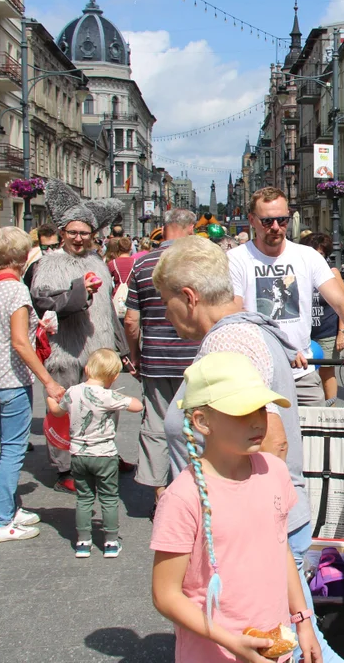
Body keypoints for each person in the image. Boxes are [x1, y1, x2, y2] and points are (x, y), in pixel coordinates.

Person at [153, 236, 344, 663]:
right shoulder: (248, 326)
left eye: (166, 302)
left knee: (298, 648)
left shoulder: (230, 344)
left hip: (244, 530)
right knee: (297, 643)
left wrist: (254, 505)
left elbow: (271, 437)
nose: (165, 316)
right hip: (243, 523)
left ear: (188, 297)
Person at [150, 352, 322, 663]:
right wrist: (230, 641)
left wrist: (303, 621)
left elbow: (281, 550)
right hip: (214, 654)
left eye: (260, 408)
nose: (258, 421)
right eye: (242, 412)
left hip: (276, 645)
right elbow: (166, 594)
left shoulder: (274, 470)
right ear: (202, 422)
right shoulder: (183, 497)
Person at [228, 187, 344, 407]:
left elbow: (341, 302)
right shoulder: (236, 259)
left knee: (316, 433)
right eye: (267, 221)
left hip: (301, 373)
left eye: (282, 220)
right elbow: (234, 316)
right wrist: (279, 351)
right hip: (255, 373)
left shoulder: (307, 257)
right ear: (252, 220)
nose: (276, 227)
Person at [31, 180, 127, 493]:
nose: (78, 238)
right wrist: (79, 292)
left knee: (103, 408)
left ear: (93, 235)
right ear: (62, 233)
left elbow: (109, 309)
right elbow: (44, 303)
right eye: (73, 232)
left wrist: (121, 348)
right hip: (66, 352)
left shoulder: (98, 262)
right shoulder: (48, 264)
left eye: (84, 233)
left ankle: (103, 458)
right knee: (63, 411)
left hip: (98, 352)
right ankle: (64, 469)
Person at [0, 227, 65, 542]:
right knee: (13, 450)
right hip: (10, 379)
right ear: (24, 256)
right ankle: (2, 522)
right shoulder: (15, 289)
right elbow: (18, 343)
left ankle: (11, 508)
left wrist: (34, 326)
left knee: (7, 446)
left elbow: (1, 329)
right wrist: (49, 381)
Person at [125, 209, 200, 508]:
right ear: (190, 228)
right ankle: (193, 493)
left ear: (164, 228)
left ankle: (162, 496)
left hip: (156, 358)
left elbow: (131, 320)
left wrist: (135, 355)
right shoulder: (197, 263)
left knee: (156, 425)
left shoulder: (141, 263)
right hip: (195, 358)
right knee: (197, 424)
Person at [47, 348, 143, 558]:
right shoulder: (109, 396)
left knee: (84, 499)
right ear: (115, 376)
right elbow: (137, 406)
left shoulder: (73, 392)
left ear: (87, 369)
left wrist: (50, 400)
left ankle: (83, 541)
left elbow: (56, 411)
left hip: (79, 456)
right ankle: (110, 542)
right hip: (105, 455)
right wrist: (120, 396)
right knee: (108, 498)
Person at [301, 233, 344, 405]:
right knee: (301, 373)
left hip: (327, 332)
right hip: (303, 333)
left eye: (320, 253)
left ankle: (330, 411)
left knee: (327, 372)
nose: (316, 257)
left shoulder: (332, 273)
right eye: (312, 252)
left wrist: (341, 333)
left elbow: (342, 304)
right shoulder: (299, 272)